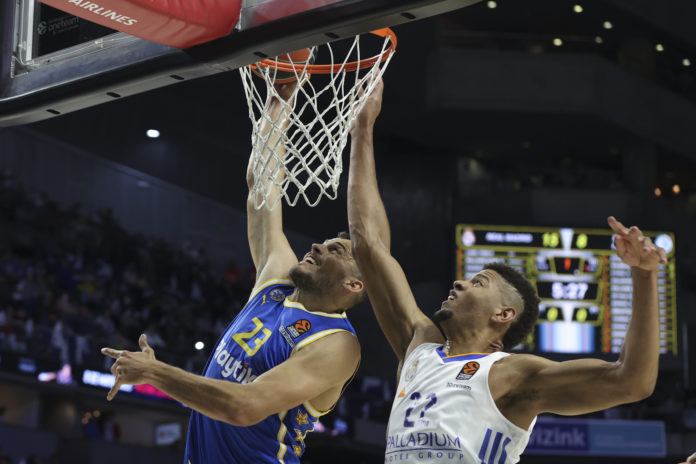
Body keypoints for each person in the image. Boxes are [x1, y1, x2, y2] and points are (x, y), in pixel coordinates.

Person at [347, 79, 667, 464]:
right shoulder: (419, 346)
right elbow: (368, 245)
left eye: (478, 282)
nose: (459, 281)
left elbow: (631, 382)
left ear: (503, 314)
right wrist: (362, 129)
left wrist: (644, 275)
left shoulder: (512, 375)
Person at [101, 81, 365, 464]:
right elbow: (261, 187)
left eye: (335, 250)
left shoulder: (336, 343)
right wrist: (280, 100)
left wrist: (156, 373)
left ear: (353, 284)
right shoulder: (277, 282)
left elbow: (245, 407)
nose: (317, 247)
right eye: (323, 242)